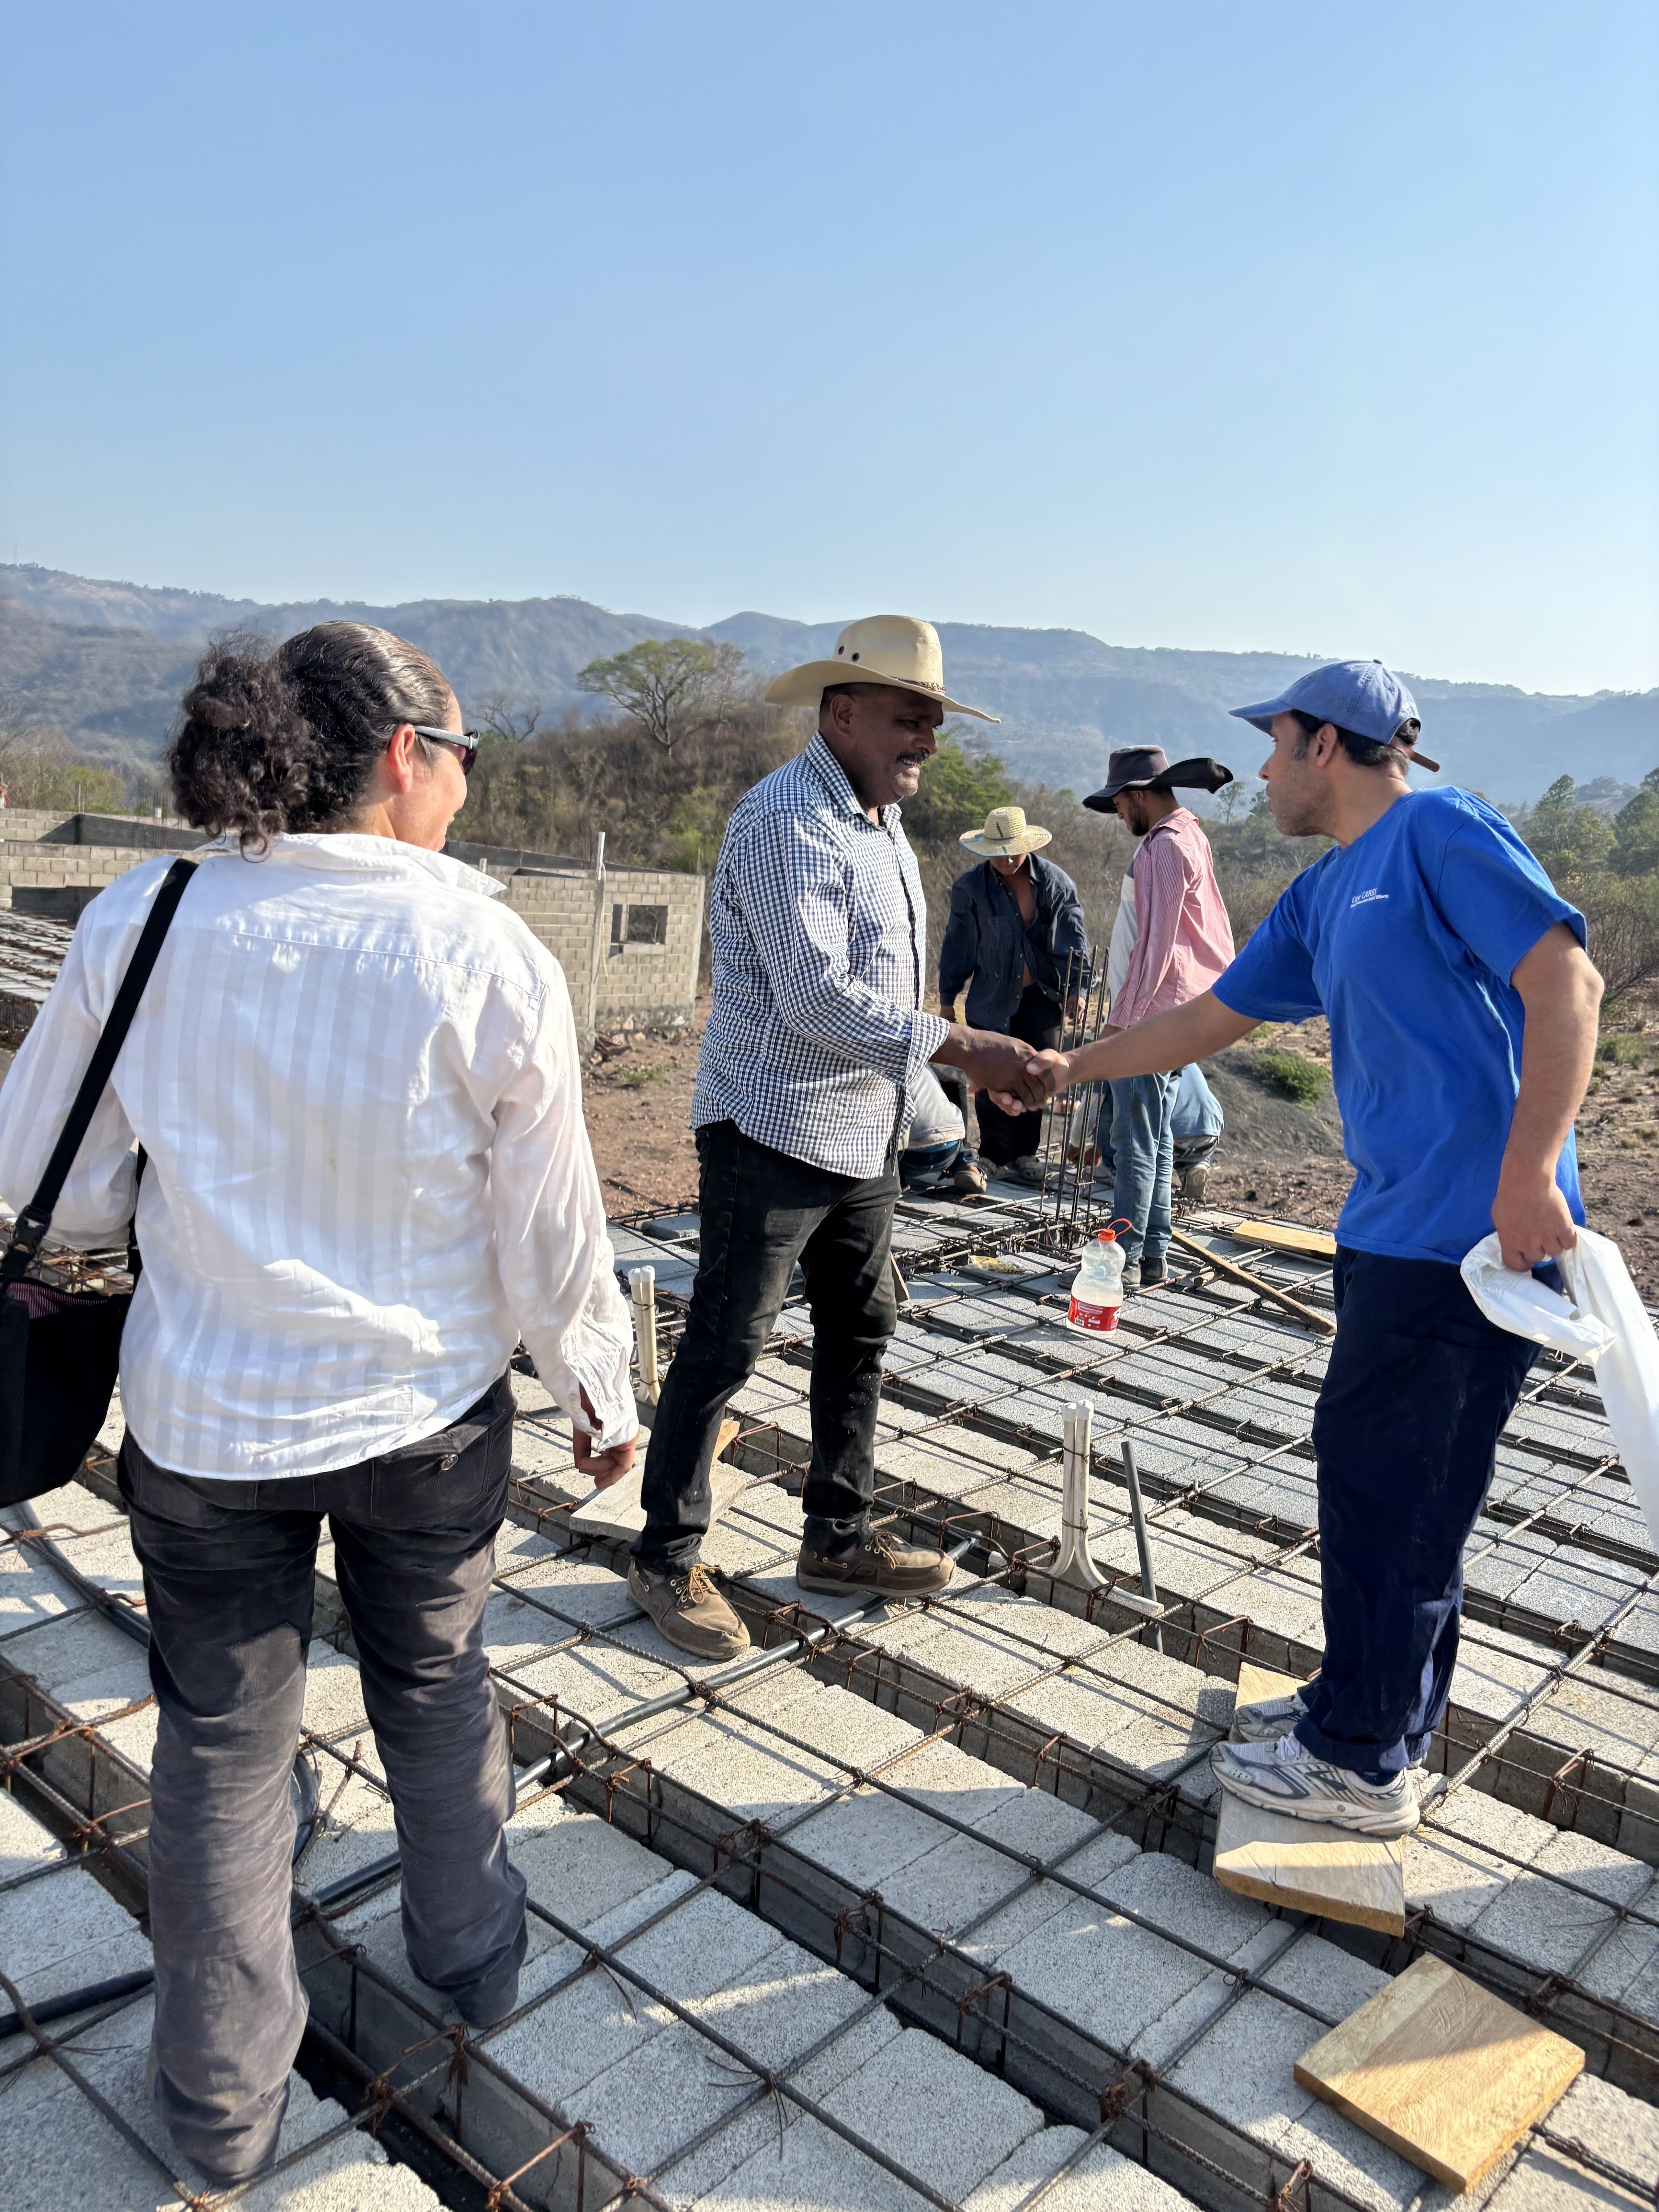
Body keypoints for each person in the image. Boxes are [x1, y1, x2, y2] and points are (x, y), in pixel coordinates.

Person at [0, 624, 637, 2181]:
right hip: (426, 1423)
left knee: (221, 1744)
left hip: (205, 1420)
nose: (470, 784)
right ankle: (473, 1958)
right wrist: (599, 1387)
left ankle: (216, 2111)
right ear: (406, 752)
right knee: (434, 1681)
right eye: (467, 751)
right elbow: (548, 1234)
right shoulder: (489, 951)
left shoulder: (143, 917)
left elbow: (44, 1190)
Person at [1018, 661, 1601, 1837]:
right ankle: (1360, 1705)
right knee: (1374, 1481)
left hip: (1466, 1243)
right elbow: (1205, 1018)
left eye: (1277, 745)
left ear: (1327, 745)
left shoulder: (1436, 831)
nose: (1266, 770)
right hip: (1389, 1233)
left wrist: (1529, 1169)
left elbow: (1565, 980)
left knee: (1400, 1494)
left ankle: (1359, 1762)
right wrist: (1067, 1066)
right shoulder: (1327, 890)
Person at [628, 616, 1047, 1660]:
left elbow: (883, 998)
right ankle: (664, 1553)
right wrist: (964, 1047)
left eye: (934, 723)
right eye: (912, 720)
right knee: (727, 1342)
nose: (929, 744)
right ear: (842, 711)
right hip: (770, 1126)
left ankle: (837, 1535)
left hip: (861, 1134)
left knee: (860, 1333)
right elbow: (819, 999)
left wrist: (936, 1121)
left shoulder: (877, 822)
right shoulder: (787, 823)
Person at [1080, 748, 1235, 1287]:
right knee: (1158, 1138)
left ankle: (1119, 1261)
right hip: (1178, 1012)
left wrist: (1120, 1026)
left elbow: (1157, 948)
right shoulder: (1187, 834)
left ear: (1140, 795)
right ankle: (1152, 1255)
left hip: (1154, 1016)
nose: (1120, 816)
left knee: (1132, 1144)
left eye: (1121, 805)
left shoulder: (1165, 845)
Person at [938, 807, 1089, 1188]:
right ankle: (992, 1154)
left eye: (1012, 852)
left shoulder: (1054, 883)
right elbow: (959, 945)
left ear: (1026, 846)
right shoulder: (970, 888)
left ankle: (1026, 1153)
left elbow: (1072, 939)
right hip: (991, 995)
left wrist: (1077, 990)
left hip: (1041, 996)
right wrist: (946, 998)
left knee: (1039, 1072)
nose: (1005, 860)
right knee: (990, 1070)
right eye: (997, 852)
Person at [1090, 1061, 1224, 1207]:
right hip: (1210, 1137)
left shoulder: (1117, 1058)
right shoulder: (1181, 1051)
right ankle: (1197, 1164)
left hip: (1175, 1138)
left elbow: (1091, 1106)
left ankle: (1112, 1169)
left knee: (1115, 1102)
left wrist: (1077, 1144)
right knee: (1189, 1139)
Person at [898, 1060, 985, 1195]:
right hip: (950, 1151)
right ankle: (968, 1166)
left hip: (911, 1160)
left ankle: (897, 1183)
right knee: (943, 1122)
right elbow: (957, 1085)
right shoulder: (919, 1060)